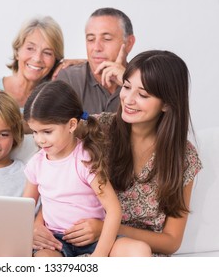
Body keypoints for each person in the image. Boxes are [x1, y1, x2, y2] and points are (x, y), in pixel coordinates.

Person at [34, 50, 203, 256]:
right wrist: (37, 224)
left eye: (142, 94)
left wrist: (104, 228)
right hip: (72, 240)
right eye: (126, 87)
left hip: (130, 251)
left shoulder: (184, 157)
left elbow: (171, 241)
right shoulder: (97, 128)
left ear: (167, 103)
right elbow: (54, 169)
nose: (128, 100)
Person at [22, 80, 151, 257]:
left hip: (94, 240)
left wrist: (99, 256)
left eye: (47, 131)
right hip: (54, 242)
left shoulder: (85, 159)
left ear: (72, 125)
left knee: (140, 250)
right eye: (35, 132)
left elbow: (113, 210)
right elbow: (23, 209)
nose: (40, 140)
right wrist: (32, 230)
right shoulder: (36, 164)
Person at [56, 7, 135, 114]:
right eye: (91, 39)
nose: (96, 47)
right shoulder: (70, 79)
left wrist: (129, 83)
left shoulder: (146, 81)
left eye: (107, 39)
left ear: (129, 43)